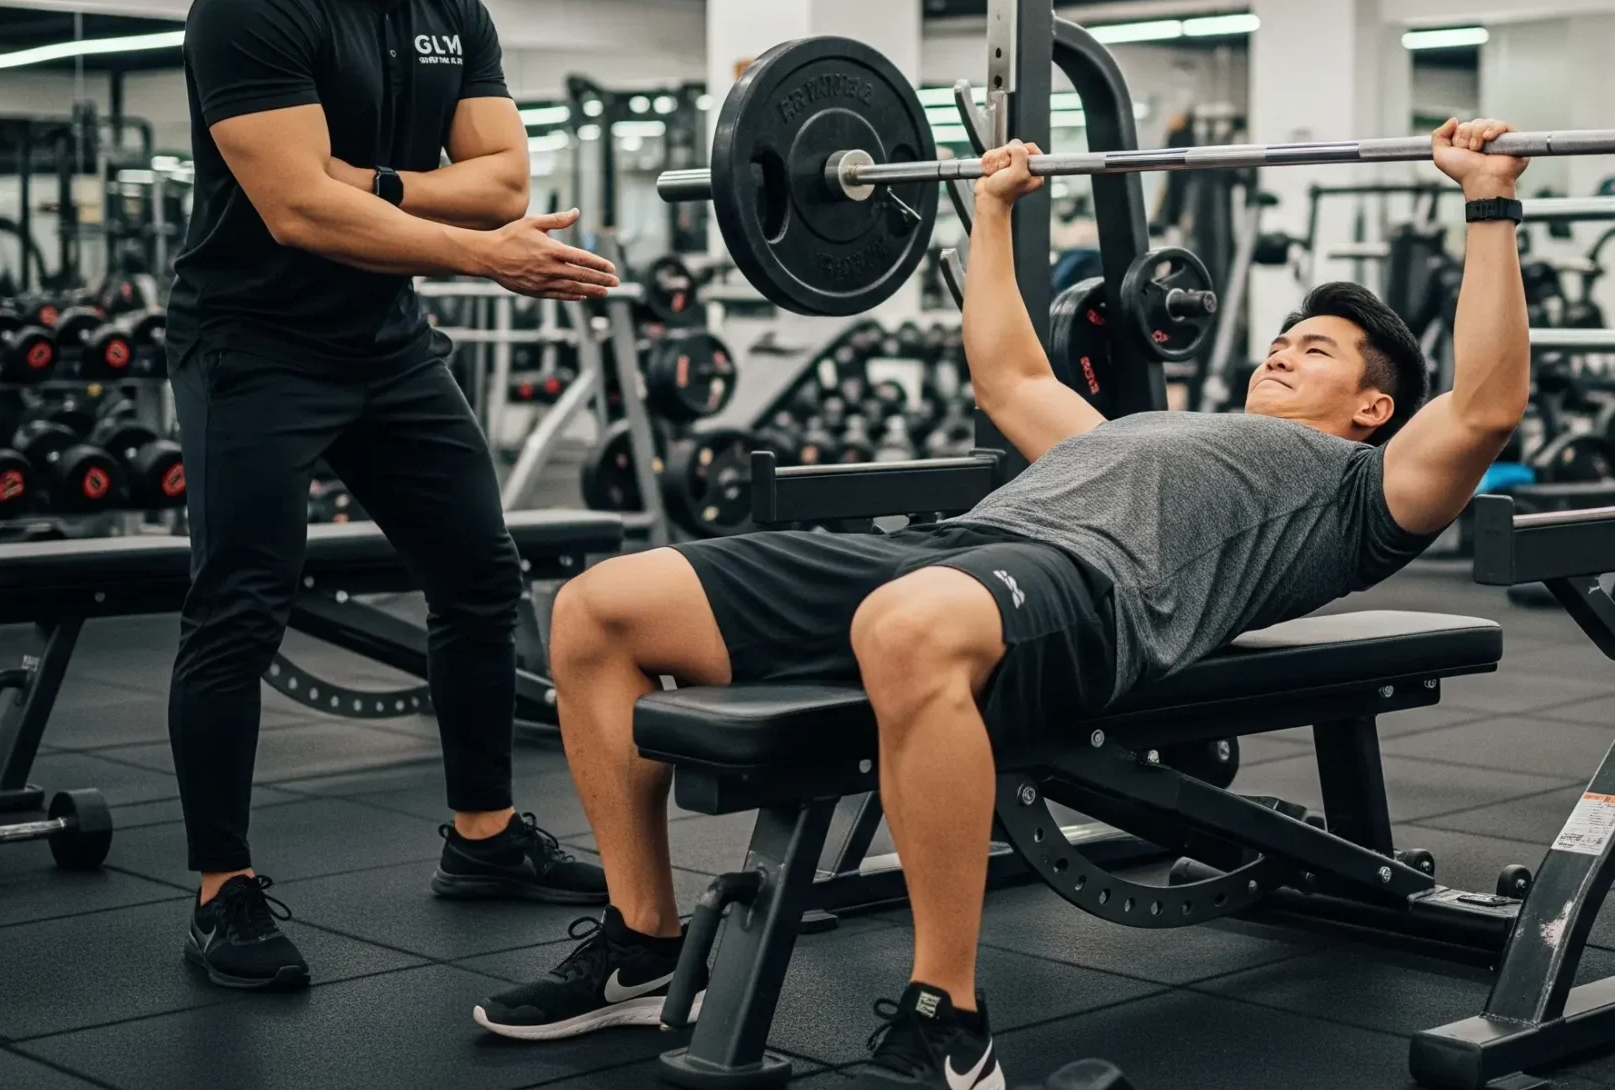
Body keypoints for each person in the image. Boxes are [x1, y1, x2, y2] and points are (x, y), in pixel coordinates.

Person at [474, 120, 1533, 1081]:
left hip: (1093, 594)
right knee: (599, 604)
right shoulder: (1138, 430)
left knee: (909, 624)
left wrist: (1487, 200)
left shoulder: (1357, 492)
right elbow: (1009, 380)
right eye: (1279, 339)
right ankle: (644, 946)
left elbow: (1484, 406)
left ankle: (950, 1017)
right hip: (961, 552)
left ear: (1373, 406)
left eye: (1312, 350)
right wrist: (992, 211)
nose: (1278, 352)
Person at [170, 0, 616, 991]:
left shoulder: (447, 8)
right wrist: (479, 255)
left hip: (383, 341)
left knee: (481, 577)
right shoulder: (251, 1)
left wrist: (369, 183)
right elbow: (293, 213)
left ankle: (481, 839)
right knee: (239, 604)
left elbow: (503, 182)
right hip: (253, 344)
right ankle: (224, 891)